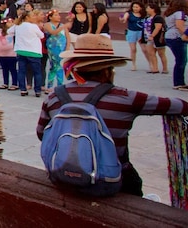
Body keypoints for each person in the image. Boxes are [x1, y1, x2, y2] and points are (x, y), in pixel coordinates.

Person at [37, 33, 188, 197]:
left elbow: (41, 133)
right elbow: (179, 106)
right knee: (134, 182)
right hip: (109, 181)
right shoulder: (127, 98)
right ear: (108, 70)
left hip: (62, 176)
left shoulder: (54, 97)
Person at [13, 10, 45, 97]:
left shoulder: (18, 25)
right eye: (33, 16)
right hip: (33, 52)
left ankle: (23, 89)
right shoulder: (33, 26)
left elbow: (9, 32)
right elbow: (42, 35)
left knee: (21, 71)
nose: (35, 17)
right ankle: (37, 90)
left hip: (21, 51)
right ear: (27, 17)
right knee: (37, 72)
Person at [163, 0, 188, 90]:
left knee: (180, 60)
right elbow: (179, 26)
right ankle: (179, 83)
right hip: (177, 37)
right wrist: (186, 34)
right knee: (181, 60)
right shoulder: (180, 13)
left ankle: (179, 82)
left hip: (170, 37)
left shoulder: (170, 14)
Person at [42, 10, 68, 91]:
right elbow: (53, 32)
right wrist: (62, 27)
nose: (58, 17)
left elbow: (68, 37)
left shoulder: (63, 26)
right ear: (50, 17)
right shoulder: (47, 25)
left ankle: (60, 85)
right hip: (53, 48)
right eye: (56, 15)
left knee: (60, 66)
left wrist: (67, 47)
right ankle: (50, 85)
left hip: (62, 48)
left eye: (58, 15)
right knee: (54, 66)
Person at [121, 2, 148, 72]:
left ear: (140, 8)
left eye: (137, 7)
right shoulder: (129, 13)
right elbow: (124, 19)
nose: (135, 8)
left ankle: (150, 63)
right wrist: (122, 18)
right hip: (131, 32)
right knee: (133, 49)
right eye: (134, 7)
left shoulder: (143, 14)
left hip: (141, 32)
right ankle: (133, 64)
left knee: (145, 49)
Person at [0, 20, 17, 91]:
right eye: (10, 22)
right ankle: (5, 83)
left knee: (13, 69)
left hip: (12, 54)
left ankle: (14, 83)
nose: (12, 23)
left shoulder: (13, 32)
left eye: (12, 22)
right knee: (4, 69)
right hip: (2, 54)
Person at [144, 3, 167, 74]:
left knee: (161, 53)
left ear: (153, 9)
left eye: (148, 8)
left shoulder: (158, 17)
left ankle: (165, 69)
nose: (146, 10)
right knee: (151, 53)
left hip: (157, 38)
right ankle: (155, 68)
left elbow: (158, 27)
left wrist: (152, 36)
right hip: (148, 38)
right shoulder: (147, 18)